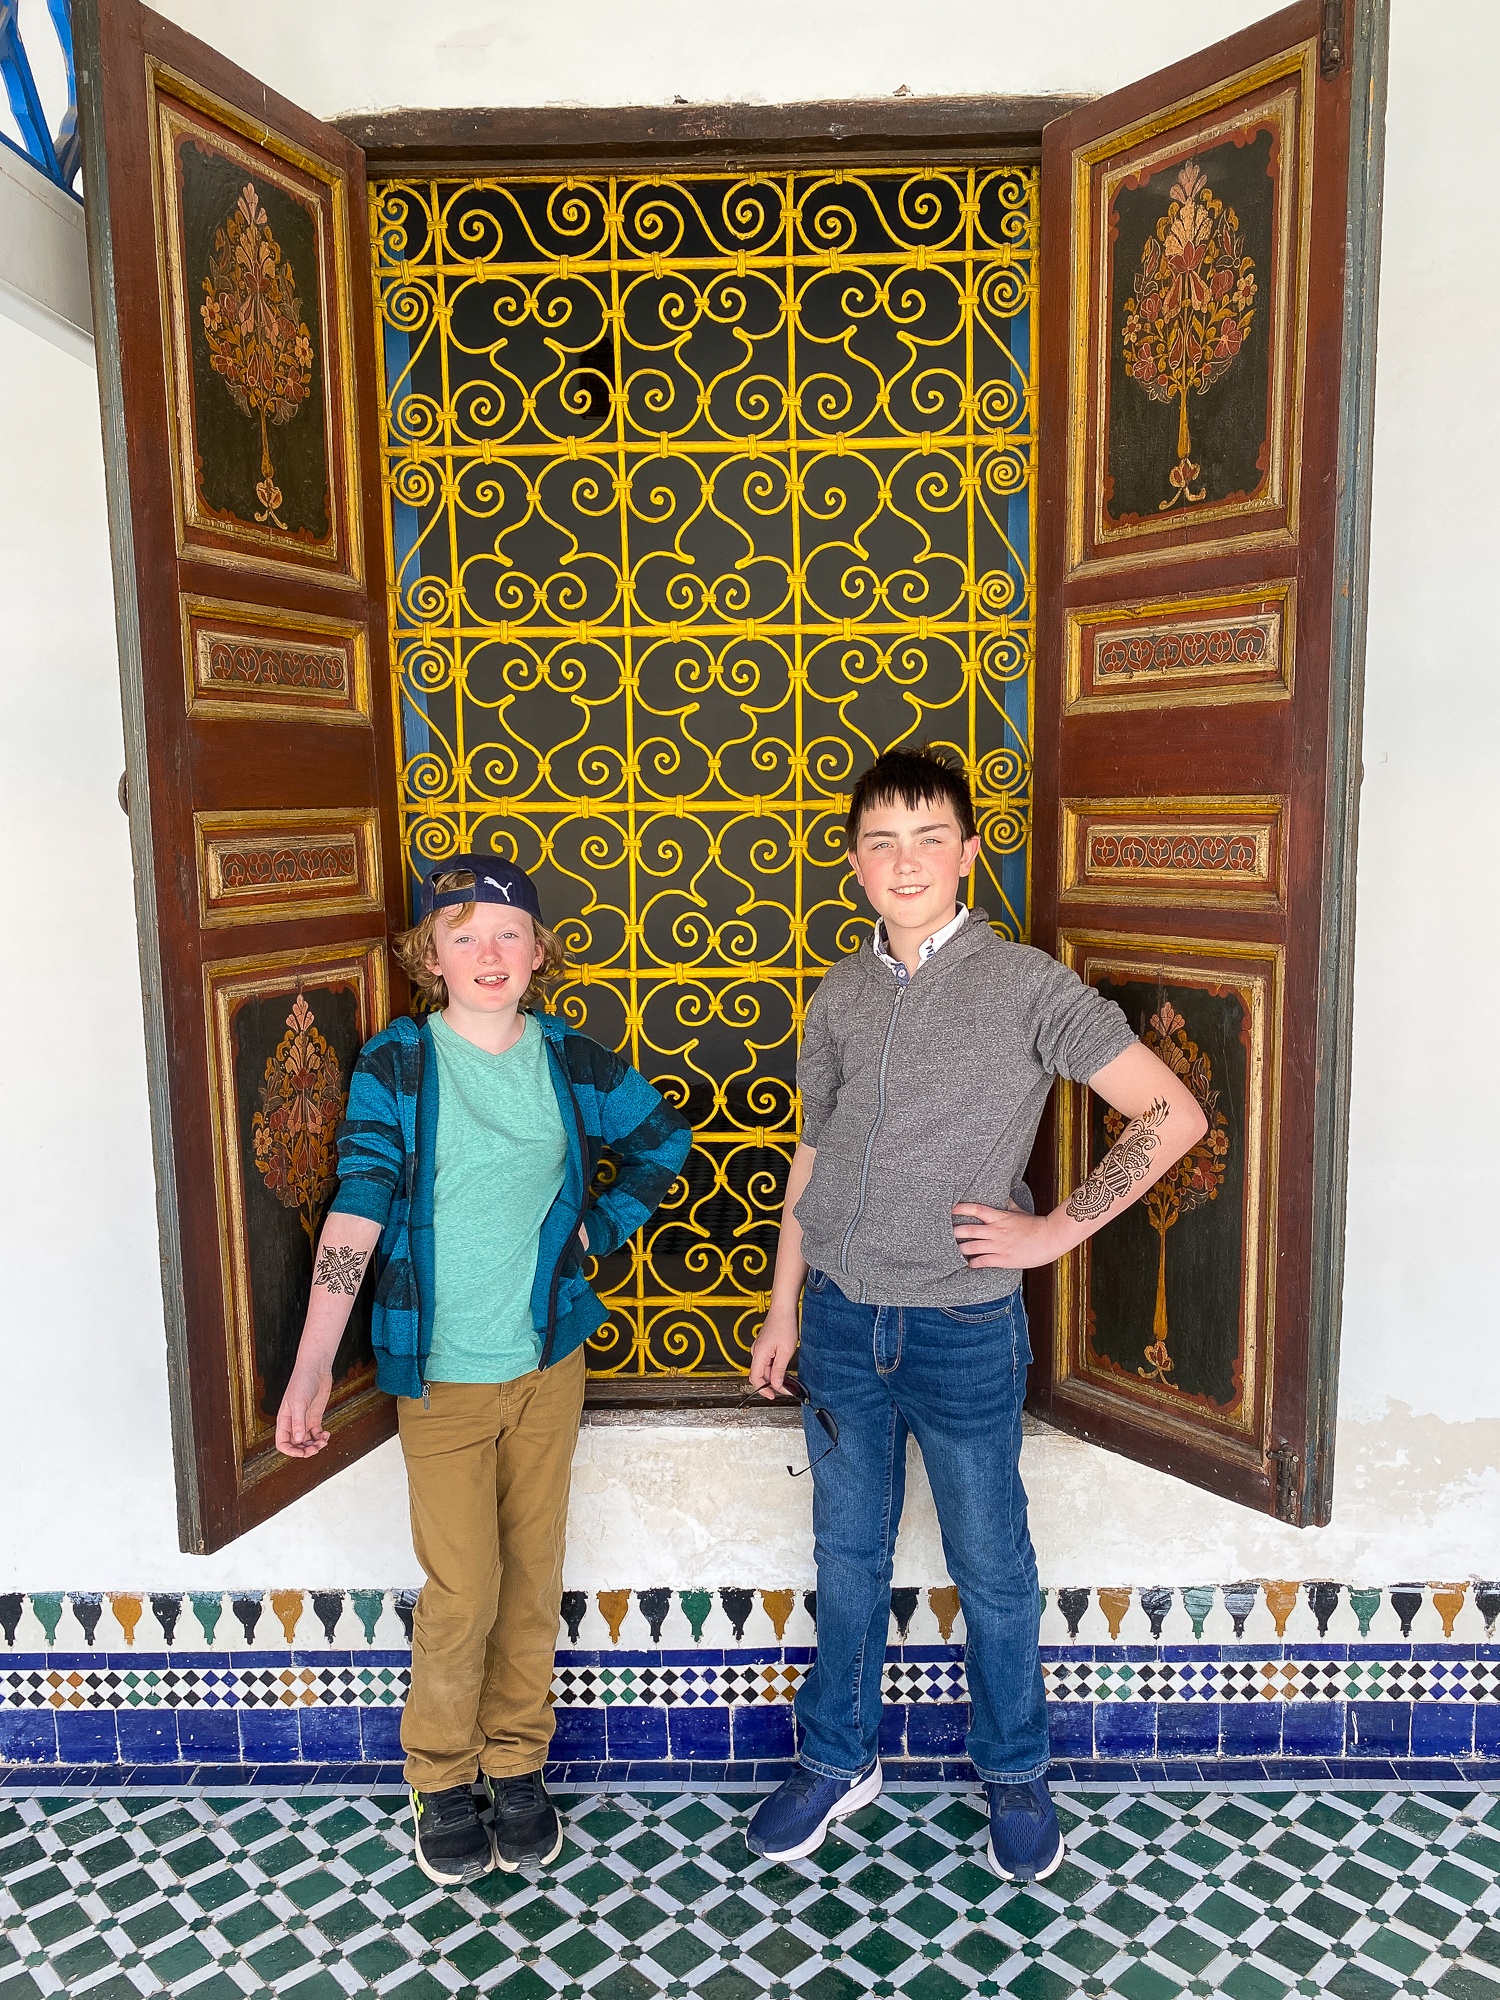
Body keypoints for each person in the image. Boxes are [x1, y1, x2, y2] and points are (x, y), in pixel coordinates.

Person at [746, 746, 1208, 1882]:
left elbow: (1171, 1114)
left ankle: (1013, 1771)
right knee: (846, 1557)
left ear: (966, 850)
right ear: (854, 863)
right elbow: (817, 1149)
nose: (904, 860)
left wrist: (1051, 1231)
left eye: (927, 836)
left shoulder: (1026, 984)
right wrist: (782, 1303)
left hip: (961, 1330)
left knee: (991, 1564)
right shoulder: (842, 990)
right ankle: (838, 1755)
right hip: (847, 1325)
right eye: (880, 840)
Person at [276, 855, 691, 1888]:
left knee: (532, 1574)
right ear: (430, 956)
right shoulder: (400, 1063)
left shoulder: (571, 1059)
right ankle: (441, 1773)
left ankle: (516, 1764)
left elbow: (663, 1138)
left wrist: (599, 1230)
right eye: (463, 934)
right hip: (443, 1374)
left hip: (548, 1359)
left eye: (509, 932)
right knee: (463, 1586)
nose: (489, 953)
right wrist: (314, 1363)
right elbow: (359, 1207)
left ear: (540, 951)